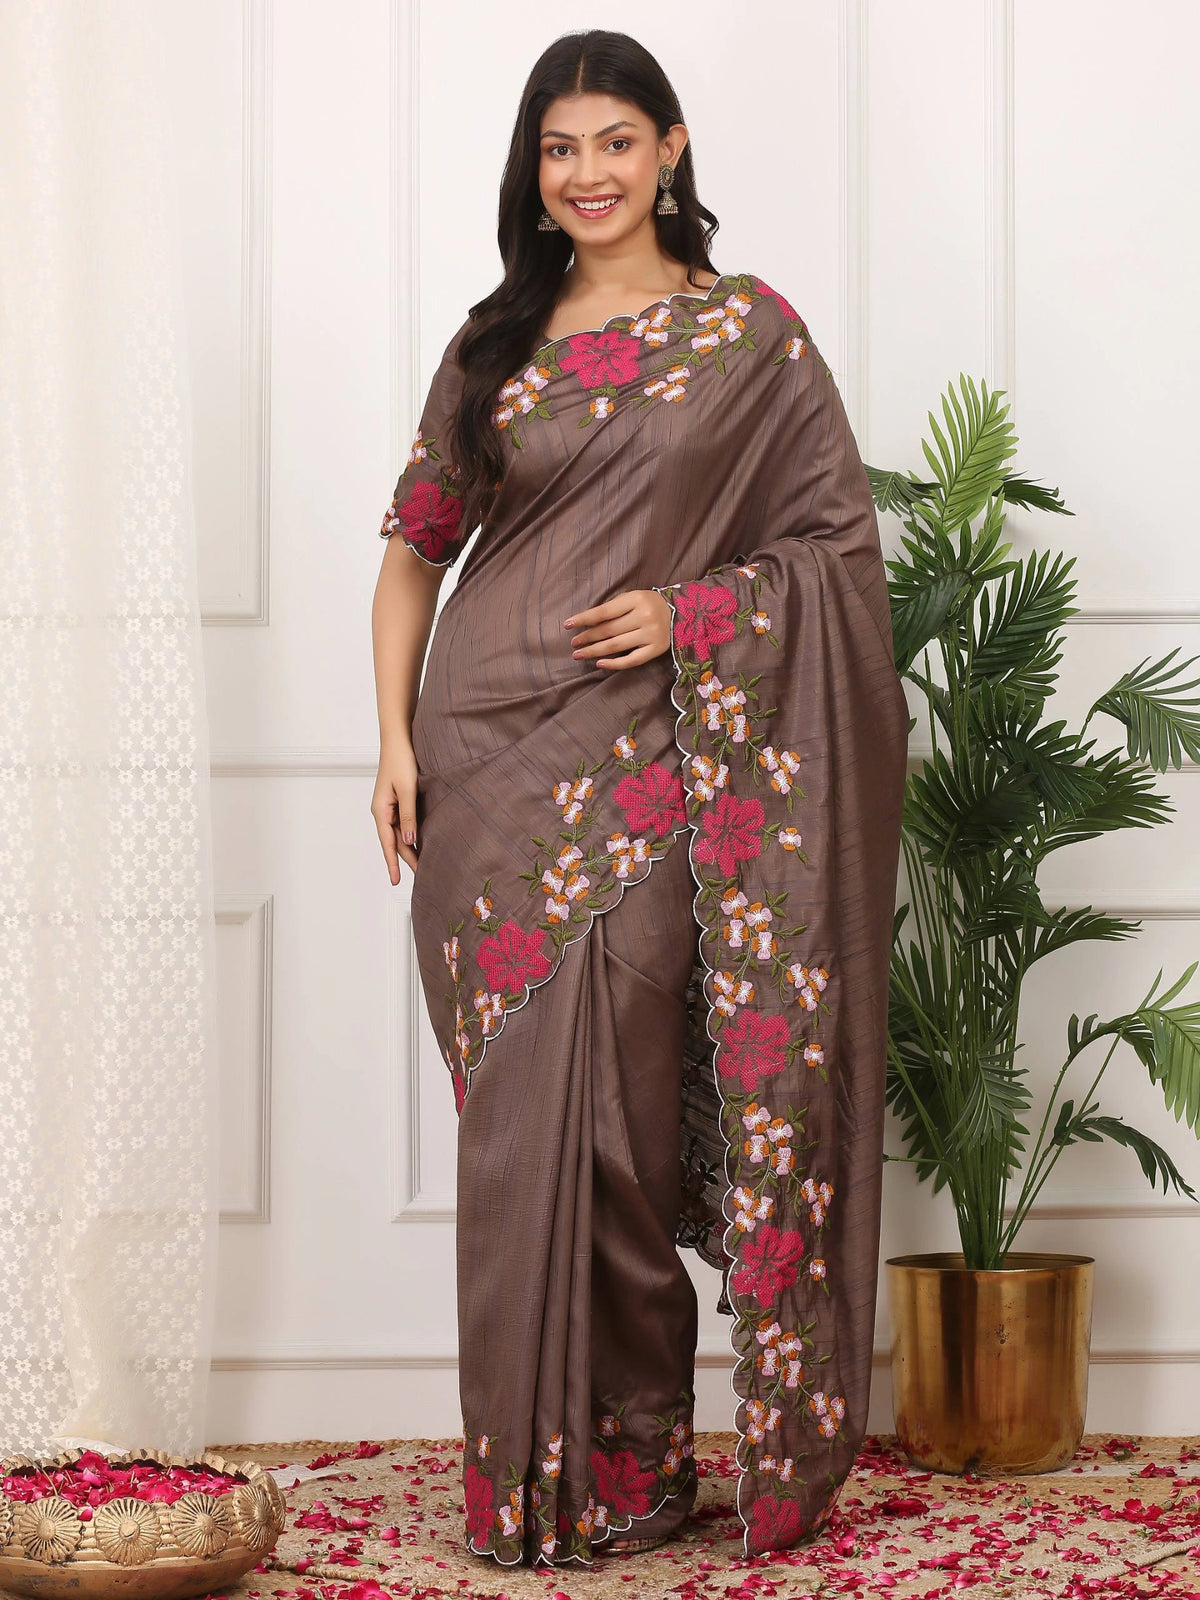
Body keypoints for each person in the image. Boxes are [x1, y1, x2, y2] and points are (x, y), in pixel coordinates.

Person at [369, 27, 908, 1571]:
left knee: (615, 1128)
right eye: (559, 149)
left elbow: (839, 560)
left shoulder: (750, 341)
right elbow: (415, 550)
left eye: (615, 140)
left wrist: (697, 616)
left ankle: (631, 1463)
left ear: (672, 150)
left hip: (662, 772)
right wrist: (396, 741)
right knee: (518, 1139)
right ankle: (528, 1478)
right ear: (532, 176)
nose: (587, 173)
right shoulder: (494, 347)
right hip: (484, 769)